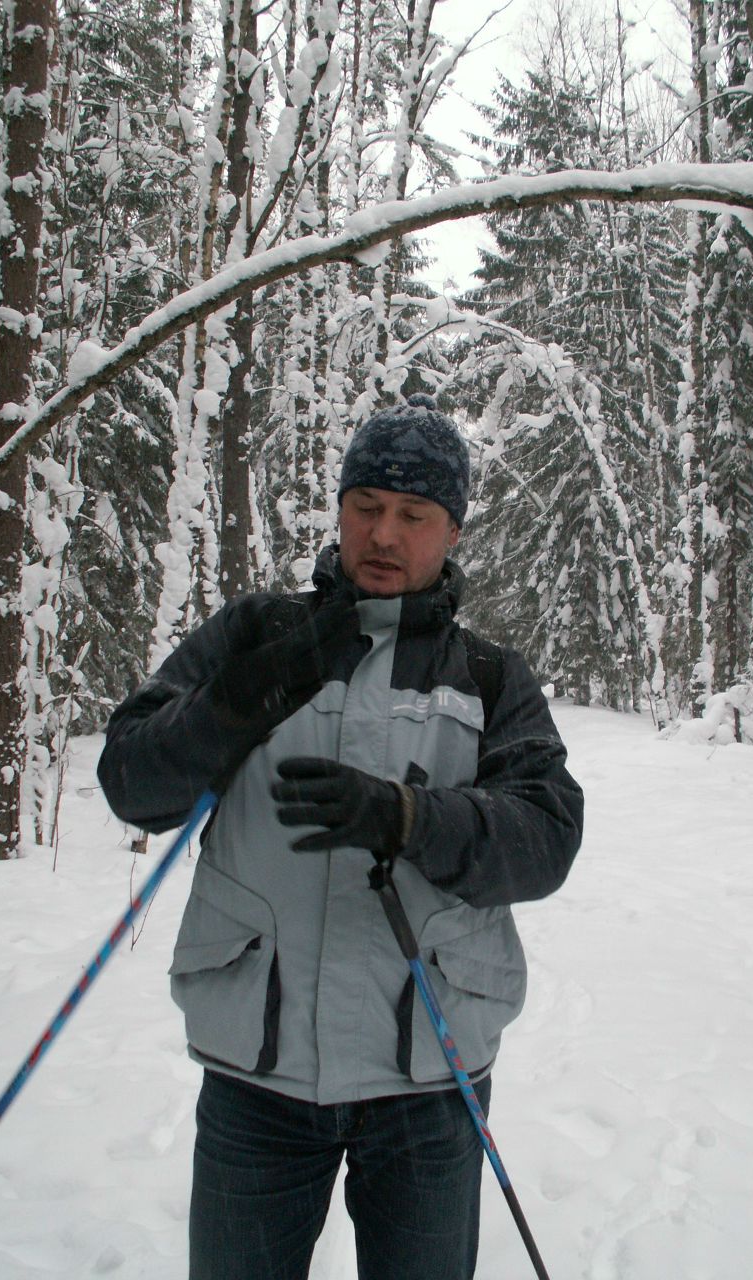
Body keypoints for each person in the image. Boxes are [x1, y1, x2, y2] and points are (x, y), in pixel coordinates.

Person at [97, 393, 584, 1280]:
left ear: (453, 531)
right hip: (258, 1075)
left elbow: (547, 837)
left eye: (413, 514)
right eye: (366, 506)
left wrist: (408, 819)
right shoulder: (254, 633)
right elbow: (132, 781)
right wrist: (233, 702)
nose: (383, 534)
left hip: (428, 1080)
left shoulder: (487, 675)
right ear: (340, 511)